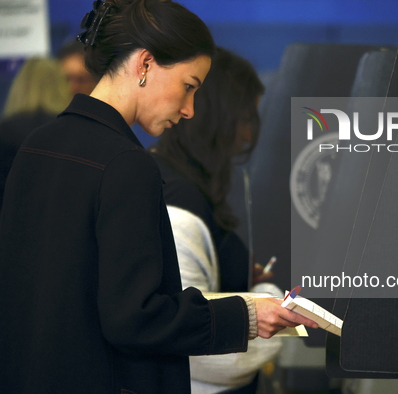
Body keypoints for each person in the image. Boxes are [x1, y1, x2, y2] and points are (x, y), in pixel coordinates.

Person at [0, 1, 317, 393]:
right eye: (189, 87)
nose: (189, 110)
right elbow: (137, 318)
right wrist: (248, 315)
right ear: (145, 64)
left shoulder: (37, 146)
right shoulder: (126, 165)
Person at [151, 47, 280, 393]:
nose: (248, 136)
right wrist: (269, 297)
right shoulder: (179, 202)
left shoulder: (188, 187)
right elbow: (199, 352)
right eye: (244, 120)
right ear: (218, 117)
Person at [0, 57, 70, 212]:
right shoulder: (72, 129)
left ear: (20, 86)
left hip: (13, 222)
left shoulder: (5, 131)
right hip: (61, 221)